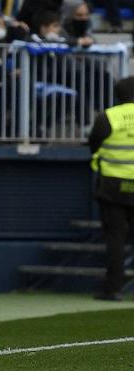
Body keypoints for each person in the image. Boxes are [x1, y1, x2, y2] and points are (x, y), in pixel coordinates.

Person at [88, 76, 134, 301]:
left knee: (116, 238)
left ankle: (113, 288)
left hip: (113, 185)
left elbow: (94, 143)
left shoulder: (108, 117)